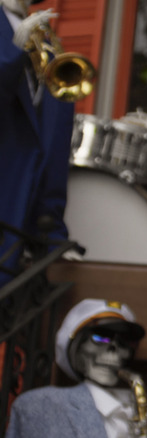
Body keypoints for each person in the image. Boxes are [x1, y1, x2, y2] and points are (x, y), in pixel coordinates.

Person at [6, 298, 147, 437]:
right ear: (76, 348)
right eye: (101, 337)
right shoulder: (40, 406)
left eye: (124, 342)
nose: (113, 349)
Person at [0, 0, 77, 287]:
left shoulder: (43, 41)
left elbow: (53, 143)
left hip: (23, 211)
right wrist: (15, 51)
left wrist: (52, 231)